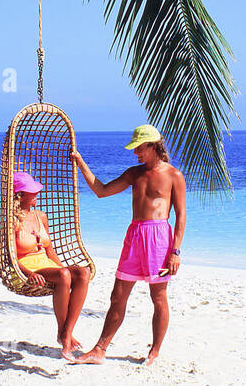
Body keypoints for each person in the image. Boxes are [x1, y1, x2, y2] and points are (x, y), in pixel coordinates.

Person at [70, 124, 186, 365]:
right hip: (134, 236)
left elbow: (181, 215)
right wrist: (80, 162)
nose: (136, 153)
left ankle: (154, 351)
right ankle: (99, 350)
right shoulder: (134, 173)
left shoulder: (174, 175)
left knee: (159, 296)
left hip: (159, 239)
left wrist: (175, 252)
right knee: (117, 296)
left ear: (153, 146)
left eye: (140, 148)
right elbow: (101, 191)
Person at [12, 170, 92, 360]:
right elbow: (11, 257)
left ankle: (67, 332)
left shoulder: (41, 216)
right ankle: (63, 336)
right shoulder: (12, 221)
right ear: (20, 195)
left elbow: (50, 250)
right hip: (27, 268)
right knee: (64, 275)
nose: (37, 194)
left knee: (83, 273)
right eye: (33, 191)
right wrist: (27, 273)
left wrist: (63, 269)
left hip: (48, 265)